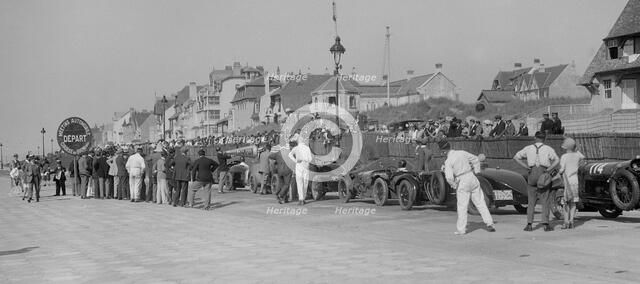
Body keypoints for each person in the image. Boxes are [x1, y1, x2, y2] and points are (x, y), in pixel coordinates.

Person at [440, 140, 495, 235]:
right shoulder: (462, 152)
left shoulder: (448, 161)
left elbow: (449, 177)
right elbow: (476, 159)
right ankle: (489, 223)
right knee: (480, 202)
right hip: (472, 177)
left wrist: (454, 185)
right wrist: (477, 172)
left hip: (462, 180)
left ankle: (461, 229)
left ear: (444, 151)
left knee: (462, 206)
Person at [513, 131, 560, 232]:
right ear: (544, 138)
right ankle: (546, 224)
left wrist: (525, 166)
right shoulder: (548, 149)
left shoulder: (528, 148)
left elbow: (516, 157)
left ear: (535, 138)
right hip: (543, 173)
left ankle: (529, 224)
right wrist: (549, 169)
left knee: (531, 201)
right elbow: (557, 160)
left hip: (532, 173)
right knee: (545, 200)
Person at [558, 137, 584, 229]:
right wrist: (576, 149)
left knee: (565, 203)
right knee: (573, 202)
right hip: (575, 181)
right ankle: (571, 221)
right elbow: (582, 157)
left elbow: (561, 170)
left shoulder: (564, 157)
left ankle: (566, 222)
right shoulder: (577, 156)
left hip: (566, 181)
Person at [288, 136, 312, 205]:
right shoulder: (307, 148)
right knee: (305, 182)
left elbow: (290, 155)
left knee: (299, 182)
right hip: (306, 165)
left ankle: (301, 199)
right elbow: (310, 159)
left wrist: (295, 160)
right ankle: (303, 198)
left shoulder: (296, 148)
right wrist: (306, 161)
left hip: (299, 164)